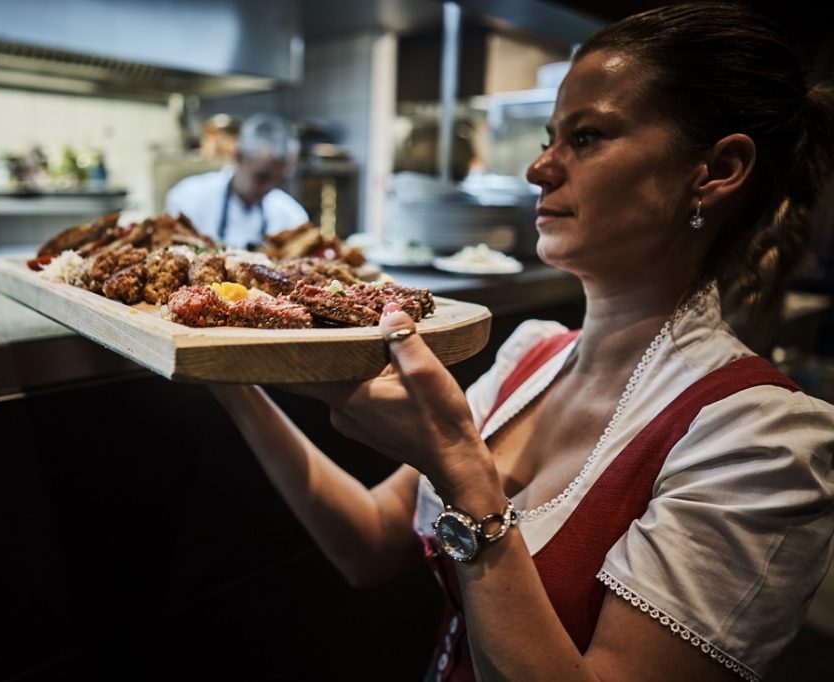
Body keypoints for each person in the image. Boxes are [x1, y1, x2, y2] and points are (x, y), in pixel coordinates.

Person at [208, 3, 834, 680]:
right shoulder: (529, 359)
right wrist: (232, 377)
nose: (539, 168)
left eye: (587, 137)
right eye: (548, 137)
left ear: (716, 170)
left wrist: (459, 468)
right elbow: (368, 543)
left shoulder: (759, 444)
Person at [165, 112, 309, 249]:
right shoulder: (188, 198)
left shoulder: (292, 217)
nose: (269, 188)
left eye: (279, 180)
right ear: (238, 156)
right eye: (262, 177)